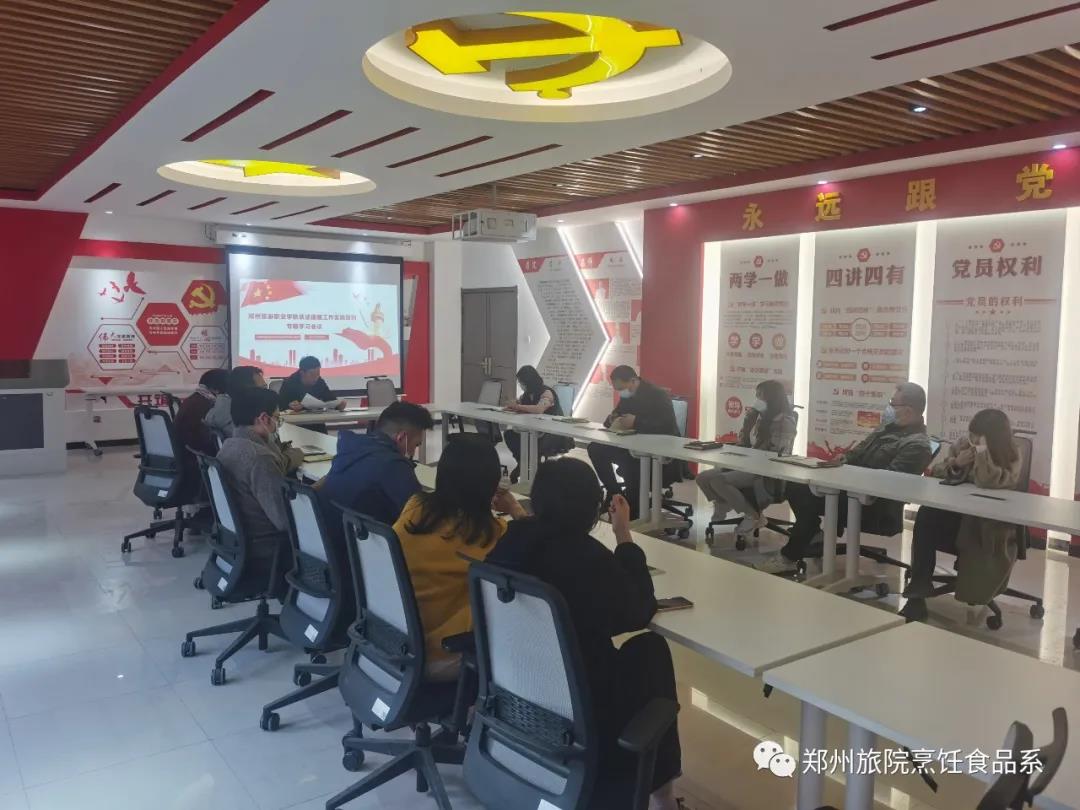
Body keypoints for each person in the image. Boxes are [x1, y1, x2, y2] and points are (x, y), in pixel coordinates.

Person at [487, 457, 681, 810]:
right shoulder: (586, 557)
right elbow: (638, 611)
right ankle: (662, 798)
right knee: (650, 650)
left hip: (519, 690)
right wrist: (624, 535)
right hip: (581, 704)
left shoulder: (509, 542)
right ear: (592, 508)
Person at [757, 382, 933, 574]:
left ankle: (789, 557)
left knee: (808, 497)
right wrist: (845, 459)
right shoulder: (886, 428)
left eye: (893, 403)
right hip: (851, 489)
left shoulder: (917, 445)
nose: (888, 408)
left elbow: (887, 483)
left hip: (873, 504)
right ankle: (812, 533)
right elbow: (859, 451)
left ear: (908, 410)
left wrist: (850, 476)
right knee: (796, 486)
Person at [395, 433, 525, 680]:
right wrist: (515, 508)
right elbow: (536, 543)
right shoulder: (493, 534)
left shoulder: (415, 507)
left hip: (395, 636)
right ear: (491, 484)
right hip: (440, 654)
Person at [901, 409, 1022, 621]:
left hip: (987, 524)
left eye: (977, 436)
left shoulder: (1012, 454)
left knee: (934, 522)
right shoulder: (964, 445)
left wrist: (982, 453)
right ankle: (918, 589)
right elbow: (936, 471)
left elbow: (988, 481)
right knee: (927, 514)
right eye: (971, 433)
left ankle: (970, 586)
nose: (971, 439)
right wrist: (956, 463)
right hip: (957, 515)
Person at [317, 401, 434, 546]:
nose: (413, 452)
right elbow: (421, 518)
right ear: (401, 438)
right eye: (416, 444)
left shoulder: (349, 448)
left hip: (331, 545)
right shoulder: (393, 466)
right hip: (364, 551)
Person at [696, 380, 797, 534]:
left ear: (772, 397)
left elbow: (777, 454)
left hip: (765, 471)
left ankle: (753, 516)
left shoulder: (784, 422)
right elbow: (744, 442)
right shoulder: (758, 417)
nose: (757, 399)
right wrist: (748, 421)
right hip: (746, 464)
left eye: (760, 395)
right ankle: (723, 501)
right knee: (703, 478)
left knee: (718, 481)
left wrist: (749, 456)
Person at [587, 365, 680, 519]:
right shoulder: (627, 395)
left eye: (622, 388)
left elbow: (666, 425)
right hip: (632, 445)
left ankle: (633, 509)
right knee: (596, 448)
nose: (621, 393)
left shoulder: (658, 395)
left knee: (631, 463)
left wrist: (636, 421)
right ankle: (614, 492)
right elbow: (613, 417)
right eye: (618, 390)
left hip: (658, 450)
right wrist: (612, 419)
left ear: (633, 380)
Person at [215, 387, 303, 540]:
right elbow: (284, 521)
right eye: (277, 418)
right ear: (264, 418)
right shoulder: (261, 458)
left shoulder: (227, 446)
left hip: (238, 539)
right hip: (268, 542)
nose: (277, 425)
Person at [502, 365, 573, 483]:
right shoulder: (526, 394)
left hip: (551, 433)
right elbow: (520, 404)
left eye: (522, 382)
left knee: (532, 443)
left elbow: (539, 409)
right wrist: (511, 406)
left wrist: (518, 406)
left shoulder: (547, 392)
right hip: (532, 431)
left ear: (529, 381)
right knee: (510, 435)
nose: (521, 385)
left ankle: (531, 470)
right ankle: (523, 463)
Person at [174, 369, 230, 458]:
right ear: (216, 390)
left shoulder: (196, 399)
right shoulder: (207, 404)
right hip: (197, 458)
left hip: (186, 453)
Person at [204, 365, 266, 438]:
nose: (267, 392)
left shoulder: (222, 408)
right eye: (262, 389)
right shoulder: (240, 419)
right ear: (245, 391)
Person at [280, 356, 346, 412]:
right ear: (302, 373)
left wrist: (339, 405)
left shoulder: (319, 381)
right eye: (312, 375)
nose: (315, 378)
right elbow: (280, 407)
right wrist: (290, 406)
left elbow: (330, 399)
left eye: (318, 374)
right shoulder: (289, 383)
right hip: (295, 421)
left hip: (316, 419)